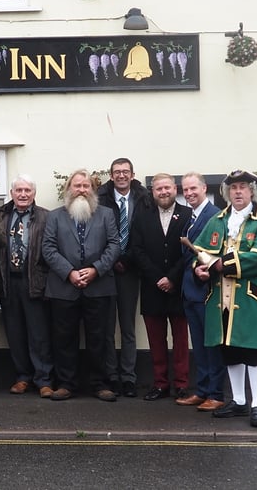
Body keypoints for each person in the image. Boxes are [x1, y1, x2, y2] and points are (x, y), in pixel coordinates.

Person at [194, 170, 257, 428]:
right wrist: (199, 270)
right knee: (229, 351)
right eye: (233, 188)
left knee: (252, 351)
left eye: (243, 187)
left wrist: (223, 265)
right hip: (220, 297)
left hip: (250, 298)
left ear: (252, 191)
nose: (238, 192)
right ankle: (240, 400)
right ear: (227, 193)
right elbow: (200, 251)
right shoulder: (218, 220)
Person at [42, 169, 119, 402]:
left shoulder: (106, 214)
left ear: (92, 189)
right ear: (69, 190)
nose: (82, 190)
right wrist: (70, 273)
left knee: (99, 338)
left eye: (86, 186)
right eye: (77, 186)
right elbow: (48, 248)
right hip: (64, 288)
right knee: (64, 338)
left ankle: (100, 384)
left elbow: (114, 245)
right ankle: (66, 384)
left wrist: (96, 269)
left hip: (99, 286)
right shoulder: (54, 216)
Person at [131, 173, 192, 401]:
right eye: (158, 189)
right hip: (152, 287)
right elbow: (137, 250)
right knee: (156, 341)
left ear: (175, 189)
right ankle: (160, 384)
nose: (163, 192)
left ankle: (182, 384)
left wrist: (172, 278)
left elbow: (190, 250)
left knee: (181, 341)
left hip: (178, 288)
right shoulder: (142, 217)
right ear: (152, 192)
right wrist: (158, 277)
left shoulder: (187, 215)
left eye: (167, 188)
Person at [0, 174, 53, 399]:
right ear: (12, 194)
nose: (23, 194)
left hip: (35, 280)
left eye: (27, 190)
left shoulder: (46, 217)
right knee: (15, 333)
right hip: (9, 281)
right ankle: (22, 377)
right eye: (19, 190)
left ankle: (44, 379)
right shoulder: (1, 216)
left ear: (34, 193)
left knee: (39, 334)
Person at [97, 158, 152, 398]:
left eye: (125, 172)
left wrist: (127, 259)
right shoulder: (100, 198)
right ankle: (112, 376)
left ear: (132, 174)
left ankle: (128, 377)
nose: (121, 176)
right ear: (111, 176)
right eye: (117, 172)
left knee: (128, 327)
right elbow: (96, 234)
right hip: (106, 271)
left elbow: (144, 233)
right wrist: (111, 260)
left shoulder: (142, 197)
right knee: (107, 327)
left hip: (131, 269)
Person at [176, 172, 225, 411]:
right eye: (185, 190)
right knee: (199, 344)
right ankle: (203, 390)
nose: (189, 193)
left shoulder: (214, 216)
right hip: (190, 292)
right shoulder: (192, 216)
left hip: (207, 291)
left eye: (193, 188)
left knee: (211, 345)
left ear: (205, 188)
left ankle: (216, 393)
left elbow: (217, 254)